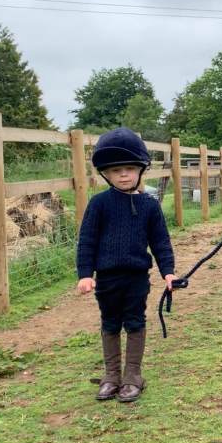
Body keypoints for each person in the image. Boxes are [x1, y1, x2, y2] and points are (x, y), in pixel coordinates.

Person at [76, 128, 177, 402]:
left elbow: (160, 243)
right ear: (106, 174)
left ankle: (133, 376)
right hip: (107, 278)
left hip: (136, 278)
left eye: (130, 168)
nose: (124, 175)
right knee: (109, 322)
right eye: (117, 170)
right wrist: (85, 274)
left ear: (140, 170)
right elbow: (86, 242)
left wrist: (168, 272)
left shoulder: (150, 205)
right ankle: (111, 375)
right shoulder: (99, 204)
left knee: (134, 321)